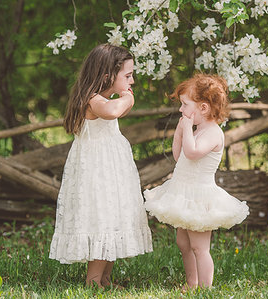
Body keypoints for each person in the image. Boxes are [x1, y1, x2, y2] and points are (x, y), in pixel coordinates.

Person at [49, 44, 153, 289]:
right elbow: (112, 112)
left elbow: (116, 110)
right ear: (107, 76)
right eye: (127, 76)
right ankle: (94, 282)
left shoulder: (105, 99)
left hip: (111, 170)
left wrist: (124, 97)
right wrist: (127, 97)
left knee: (113, 216)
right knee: (102, 219)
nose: (132, 81)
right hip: (97, 172)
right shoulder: (94, 101)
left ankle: (105, 279)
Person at [144, 74, 249, 289]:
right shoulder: (198, 129)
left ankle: (205, 287)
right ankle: (191, 282)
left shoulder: (213, 133)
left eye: (184, 105)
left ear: (203, 108)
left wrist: (185, 130)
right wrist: (180, 133)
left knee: (200, 248)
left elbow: (192, 153)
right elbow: (178, 155)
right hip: (183, 193)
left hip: (199, 198)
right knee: (183, 243)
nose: (181, 110)